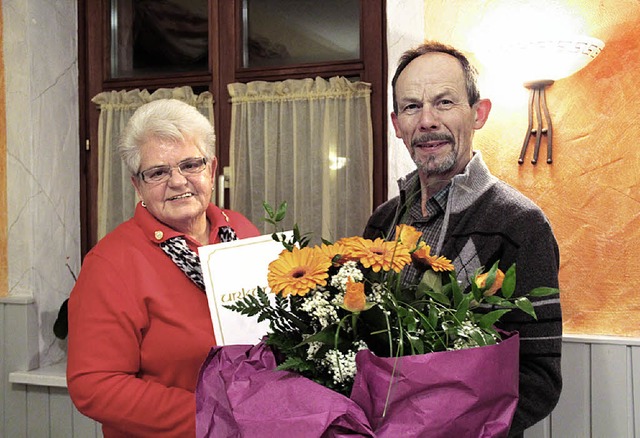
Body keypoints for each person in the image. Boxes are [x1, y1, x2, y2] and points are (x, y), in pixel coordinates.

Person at [363, 41, 562, 437]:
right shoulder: (381, 224)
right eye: (411, 107)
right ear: (396, 123)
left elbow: (539, 377)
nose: (427, 121)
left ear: (478, 113)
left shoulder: (520, 225)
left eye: (445, 102)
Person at [67, 99, 260, 437]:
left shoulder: (241, 230)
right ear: (137, 185)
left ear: (212, 170)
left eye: (191, 165)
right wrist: (211, 419)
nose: (178, 181)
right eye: (158, 172)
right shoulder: (110, 263)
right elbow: (95, 385)